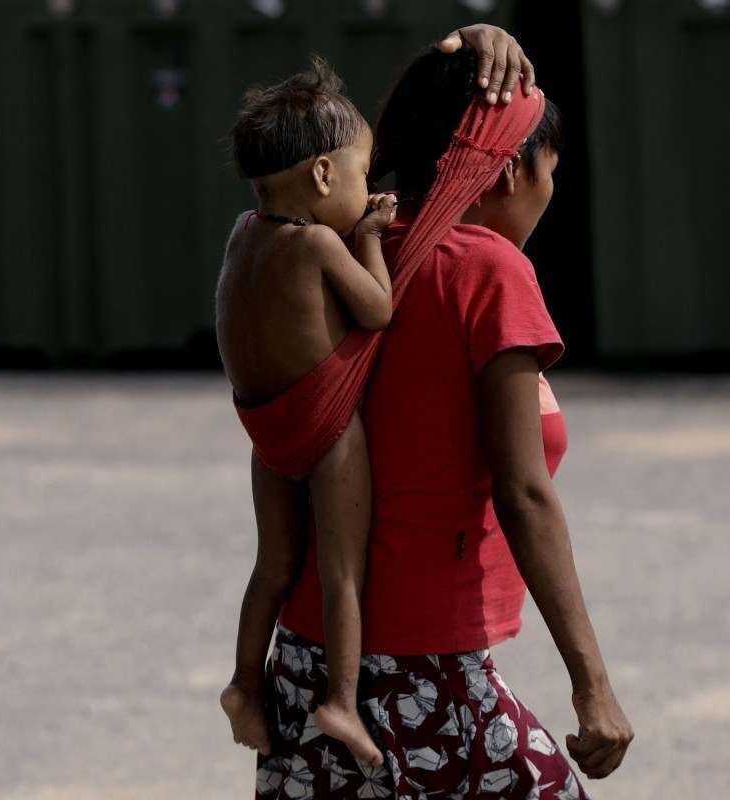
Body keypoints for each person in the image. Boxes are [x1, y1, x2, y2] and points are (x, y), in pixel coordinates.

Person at [253, 32, 633, 800]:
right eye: (549, 172)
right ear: (507, 170)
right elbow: (523, 493)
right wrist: (593, 686)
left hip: (308, 661)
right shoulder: (488, 271)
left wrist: (481, 42)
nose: (548, 195)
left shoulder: (330, 249)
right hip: (422, 672)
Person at [215, 57, 398, 768]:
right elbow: (377, 311)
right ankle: (341, 704)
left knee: (273, 565)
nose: (369, 189)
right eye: (363, 175)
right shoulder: (321, 241)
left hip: (266, 431)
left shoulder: (243, 233)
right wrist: (374, 236)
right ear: (324, 176)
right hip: (323, 429)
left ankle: (242, 685)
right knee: (341, 571)